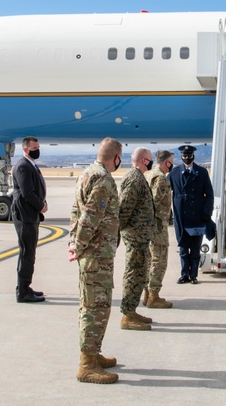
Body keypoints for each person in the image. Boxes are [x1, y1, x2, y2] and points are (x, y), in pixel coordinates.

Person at [68, 137, 123, 384]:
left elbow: (75, 212)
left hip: (94, 253)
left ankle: (94, 353)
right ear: (116, 158)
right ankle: (87, 365)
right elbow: (90, 215)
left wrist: (73, 242)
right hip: (96, 255)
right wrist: (79, 245)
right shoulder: (103, 179)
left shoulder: (86, 174)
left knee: (96, 305)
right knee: (95, 308)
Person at [118, 147, 156, 331]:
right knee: (134, 275)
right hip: (136, 238)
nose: (152, 162)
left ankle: (131, 311)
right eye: (150, 159)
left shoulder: (139, 178)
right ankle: (127, 315)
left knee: (139, 275)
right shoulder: (134, 179)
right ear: (143, 160)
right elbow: (123, 210)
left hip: (140, 237)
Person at [168, 145, 213, 284]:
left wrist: (206, 213)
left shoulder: (202, 172)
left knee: (195, 247)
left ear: (194, 156)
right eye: (185, 156)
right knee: (182, 247)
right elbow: (165, 193)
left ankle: (193, 275)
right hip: (181, 215)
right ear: (181, 156)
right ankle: (184, 274)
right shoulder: (174, 173)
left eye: (189, 156)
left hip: (197, 215)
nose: (187, 158)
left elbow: (209, 195)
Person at [11, 137, 47, 303]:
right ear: (25, 149)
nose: (37, 150)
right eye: (34, 147)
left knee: (29, 254)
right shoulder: (23, 166)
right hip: (25, 216)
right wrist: (40, 205)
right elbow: (27, 193)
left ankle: (26, 286)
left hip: (30, 215)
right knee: (27, 254)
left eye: (38, 147)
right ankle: (23, 292)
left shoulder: (30, 164)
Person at [143, 149, 175, 308]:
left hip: (149, 227)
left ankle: (147, 293)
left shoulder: (148, 174)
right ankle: (153, 296)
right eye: (171, 162)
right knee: (159, 261)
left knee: (149, 261)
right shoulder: (161, 179)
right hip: (157, 226)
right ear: (167, 162)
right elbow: (154, 203)